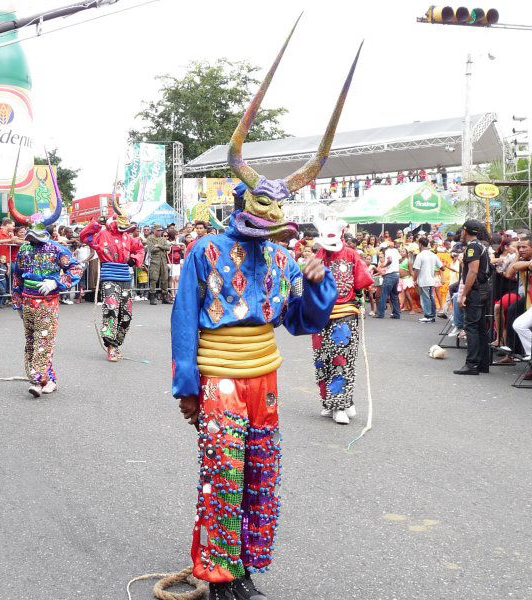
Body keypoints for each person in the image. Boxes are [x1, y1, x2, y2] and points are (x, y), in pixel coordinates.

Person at [172, 25, 352, 599]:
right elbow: (183, 320)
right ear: (241, 200)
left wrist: (320, 286)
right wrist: (186, 385)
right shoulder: (206, 252)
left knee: (260, 472)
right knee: (221, 474)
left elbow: (301, 322)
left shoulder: (284, 257)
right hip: (220, 374)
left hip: (265, 377)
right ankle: (218, 575)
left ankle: (246, 568)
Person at [8, 184, 82, 397]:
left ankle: (38, 382)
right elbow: (17, 276)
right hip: (28, 301)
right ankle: (48, 380)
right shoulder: (24, 249)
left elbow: (76, 267)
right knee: (31, 341)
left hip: (48, 302)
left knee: (43, 340)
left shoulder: (57, 248)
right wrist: (17, 302)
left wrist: (56, 282)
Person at [312, 219, 373, 424]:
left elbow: (362, 282)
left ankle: (340, 404)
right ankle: (329, 402)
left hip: (344, 314)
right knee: (322, 361)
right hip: (320, 316)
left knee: (341, 360)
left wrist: (360, 301)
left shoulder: (351, 255)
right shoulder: (318, 256)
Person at [80, 206, 145, 362]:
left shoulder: (128, 238)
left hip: (124, 277)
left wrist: (134, 259)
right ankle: (111, 346)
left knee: (127, 315)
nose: (124, 230)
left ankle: (117, 343)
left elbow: (140, 249)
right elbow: (84, 237)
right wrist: (96, 224)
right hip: (109, 277)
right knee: (111, 309)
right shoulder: (103, 234)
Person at [453, 220, 491, 375]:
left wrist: (464, 294)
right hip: (482, 290)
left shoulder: (473, 247)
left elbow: (473, 272)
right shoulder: (482, 245)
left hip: (476, 291)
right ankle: (483, 363)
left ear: (465, 230)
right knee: (481, 327)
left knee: (472, 327)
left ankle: (472, 364)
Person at [412, 237, 442, 323]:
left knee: (426, 298)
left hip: (423, 280)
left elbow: (416, 269)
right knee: (431, 297)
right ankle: (432, 315)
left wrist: (414, 279)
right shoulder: (433, 254)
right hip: (431, 280)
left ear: (420, 244)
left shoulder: (420, 255)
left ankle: (428, 315)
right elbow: (441, 267)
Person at [146, 225, 170, 305]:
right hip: (155, 261)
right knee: (154, 278)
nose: (160, 232)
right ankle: (152, 297)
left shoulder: (163, 239)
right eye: (158, 230)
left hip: (163, 260)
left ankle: (165, 296)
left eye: (160, 230)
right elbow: (152, 249)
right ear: (154, 230)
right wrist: (162, 247)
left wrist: (159, 246)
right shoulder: (150, 238)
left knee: (165, 278)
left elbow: (168, 248)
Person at [376, 241, 401, 319]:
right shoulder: (396, 251)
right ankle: (396, 314)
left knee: (384, 295)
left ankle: (381, 314)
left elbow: (390, 260)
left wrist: (384, 266)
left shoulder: (387, 251)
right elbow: (399, 259)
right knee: (394, 295)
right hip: (396, 274)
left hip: (390, 275)